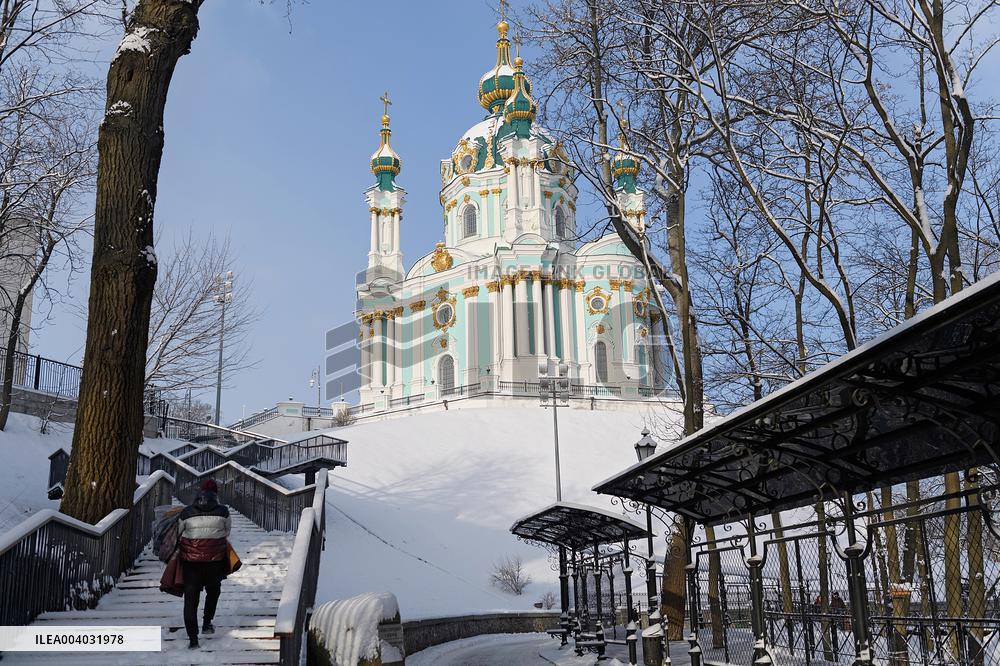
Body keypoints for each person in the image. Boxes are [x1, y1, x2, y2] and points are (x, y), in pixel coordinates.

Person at [176, 478, 232, 649]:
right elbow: (226, 532)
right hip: (214, 562)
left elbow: (179, 533)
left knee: (191, 600)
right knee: (213, 590)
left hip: (190, 563)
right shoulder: (223, 511)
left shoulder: (186, 512)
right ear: (216, 494)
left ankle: (193, 640)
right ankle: (207, 623)